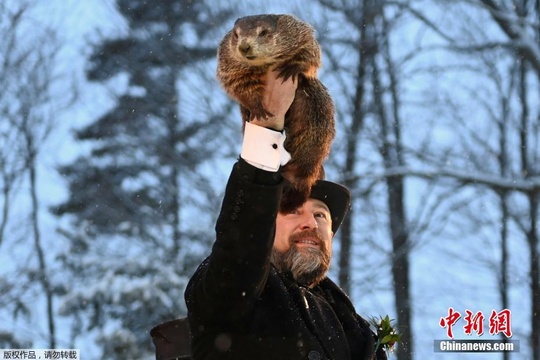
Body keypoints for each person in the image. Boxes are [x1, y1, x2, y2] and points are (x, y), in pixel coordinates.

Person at [184, 70, 387, 360]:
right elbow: (242, 244)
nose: (310, 223)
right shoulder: (231, 289)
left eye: (321, 216)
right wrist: (266, 127)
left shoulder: (351, 324)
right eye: (293, 210)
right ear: (265, 223)